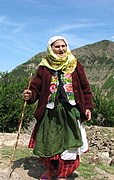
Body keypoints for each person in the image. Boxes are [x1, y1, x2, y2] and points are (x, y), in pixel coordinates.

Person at [23, 36, 93, 180]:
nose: (61, 49)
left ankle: (62, 175)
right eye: (57, 47)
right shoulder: (44, 67)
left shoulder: (75, 64)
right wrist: (30, 95)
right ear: (51, 49)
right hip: (50, 112)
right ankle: (51, 171)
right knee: (49, 143)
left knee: (70, 145)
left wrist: (88, 107)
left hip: (71, 112)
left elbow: (85, 88)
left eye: (63, 46)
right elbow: (36, 89)